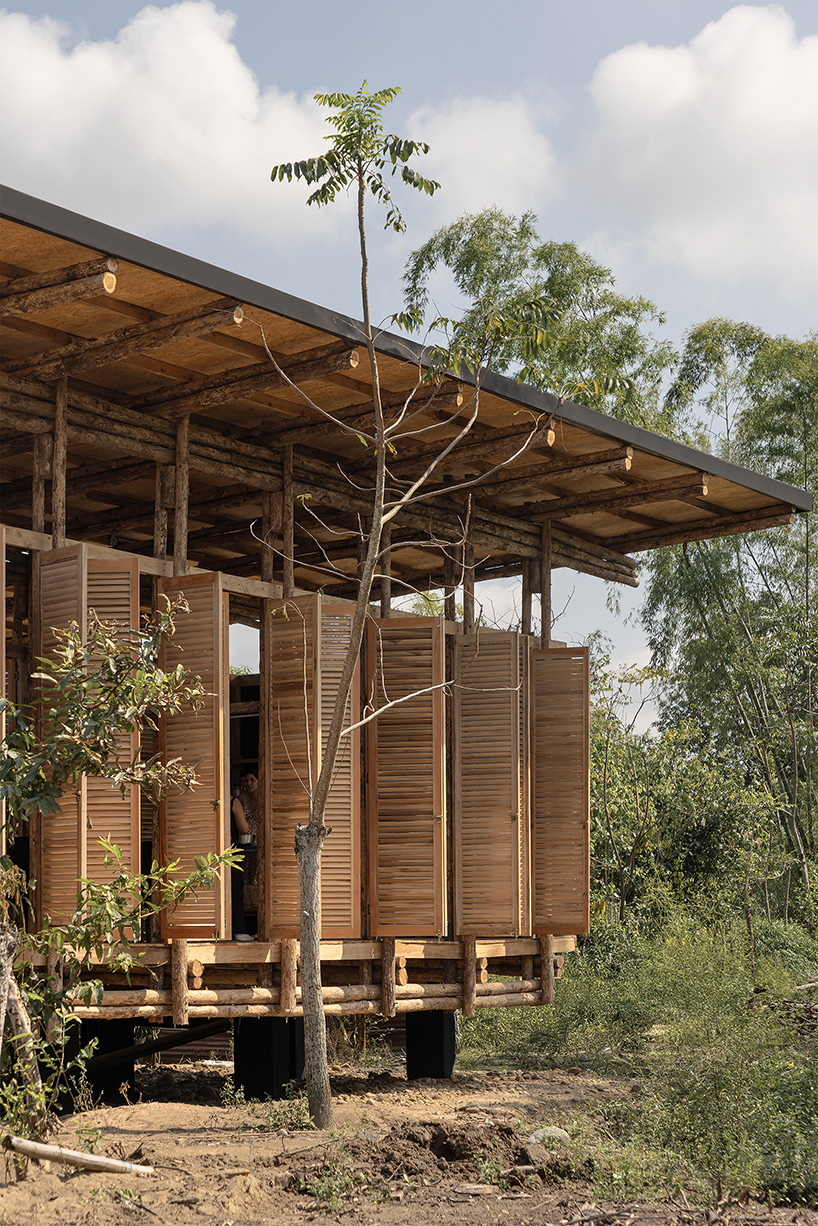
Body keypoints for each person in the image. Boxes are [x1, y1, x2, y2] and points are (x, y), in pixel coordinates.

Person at [230, 769, 260, 941]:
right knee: (245, 885)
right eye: (246, 780)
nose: (249, 784)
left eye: (252, 780)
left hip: (258, 845)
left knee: (255, 884)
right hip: (244, 846)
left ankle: (255, 927)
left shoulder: (264, 799)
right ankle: (245, 928)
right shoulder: (239, 800)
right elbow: (243, 828)